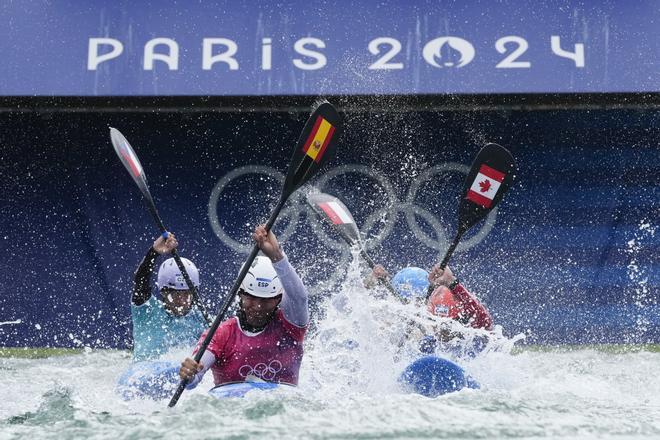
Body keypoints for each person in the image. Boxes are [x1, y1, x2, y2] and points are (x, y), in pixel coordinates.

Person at [178, 225, 309, 389]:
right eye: (252, 298)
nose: (259, 306)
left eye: (266, 300)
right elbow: (195, 378)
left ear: (279, 299)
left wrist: (277, 256)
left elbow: (300, 299)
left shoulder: (290, 326)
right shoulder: (221, 333)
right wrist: (189, 375)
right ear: (240, 294)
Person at [131, 233, 206, 362]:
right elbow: (140, 282)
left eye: (186, 294)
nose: (182, 301)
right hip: (144, 375)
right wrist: (154, 252)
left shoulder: (203, 320)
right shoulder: (148, 311)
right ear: (163, 292)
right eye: (175, 294)